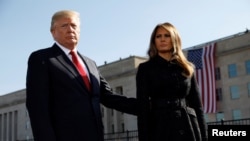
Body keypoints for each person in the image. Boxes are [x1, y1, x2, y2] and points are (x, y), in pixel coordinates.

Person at [26, 10, 137, 141]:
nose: (70, 30)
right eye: (64, 26)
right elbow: (37, 107)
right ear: (53, 32)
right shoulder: (41, 59)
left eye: (74, 26)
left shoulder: (91, 64)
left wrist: (151, 106)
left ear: (79, 31)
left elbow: (108, 97)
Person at [136, 22, 208, 141]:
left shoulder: (187, 68)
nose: (162, 39)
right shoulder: (145, 69)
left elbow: (197, 105)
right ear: (154, 41)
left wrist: (204, 137)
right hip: (160, 128)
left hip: (188, 127)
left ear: (175, 39)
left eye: (167, 35)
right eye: (158, 36)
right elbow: (142, 108)